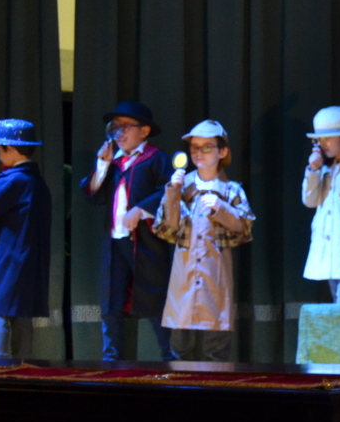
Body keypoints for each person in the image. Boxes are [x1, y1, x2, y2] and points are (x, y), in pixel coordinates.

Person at [81, 99, 175, 360]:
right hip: (114, 242)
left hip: (146, 244)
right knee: (111, 301)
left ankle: (171, 359)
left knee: (155, 299)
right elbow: (93, 195)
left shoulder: (155, 158)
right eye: (116, 127)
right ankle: (111, 359)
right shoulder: (114, 162)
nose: (120, 133)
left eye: (126, 127)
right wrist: (102, 165)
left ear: (144, 131)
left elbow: (169, 190)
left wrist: (142, 209)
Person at [156, 121, 254, 362]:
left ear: (223, 152)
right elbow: (167, 226)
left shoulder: (231, 190)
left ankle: (215, 383)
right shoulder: (182, 187)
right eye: (194, 147)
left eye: (207, 147)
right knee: (180, 346)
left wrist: (222, 208)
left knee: (216, 348)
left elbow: (244, 227)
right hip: (184, 275)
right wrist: (173, 192)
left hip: (215, 275)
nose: (199, 152)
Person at [0, 119, 52, 359]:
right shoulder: (37, 182)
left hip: (5, 259)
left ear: (11, 149)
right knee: (21, 314)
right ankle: (22, 368)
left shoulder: (14, 180)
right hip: (26, 261)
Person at [302, 106, 340, 302]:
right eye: (319, 140)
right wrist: (313, 169)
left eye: (328, 138)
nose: (322, 144)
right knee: (338, 303)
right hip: (329, 252)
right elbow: (309, 201)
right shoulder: (325, 170)